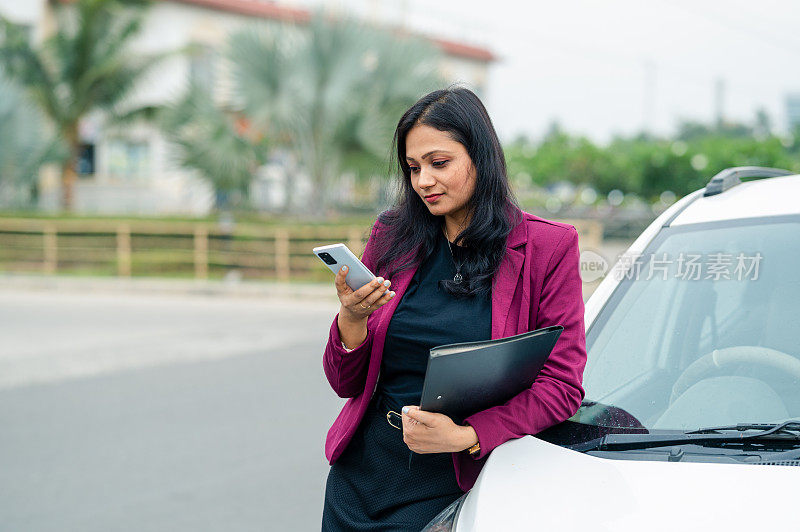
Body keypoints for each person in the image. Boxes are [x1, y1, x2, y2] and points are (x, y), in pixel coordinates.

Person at [321, 85, 587, 531]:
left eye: (439, 163)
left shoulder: (548, 246)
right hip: (361, 476)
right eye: (413, 167)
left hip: (457, 483)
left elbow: (561, 385)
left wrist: (468, 436)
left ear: (480, 157)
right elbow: (343, 381)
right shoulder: (392, 235)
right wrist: (351, 318)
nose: (423, 181)